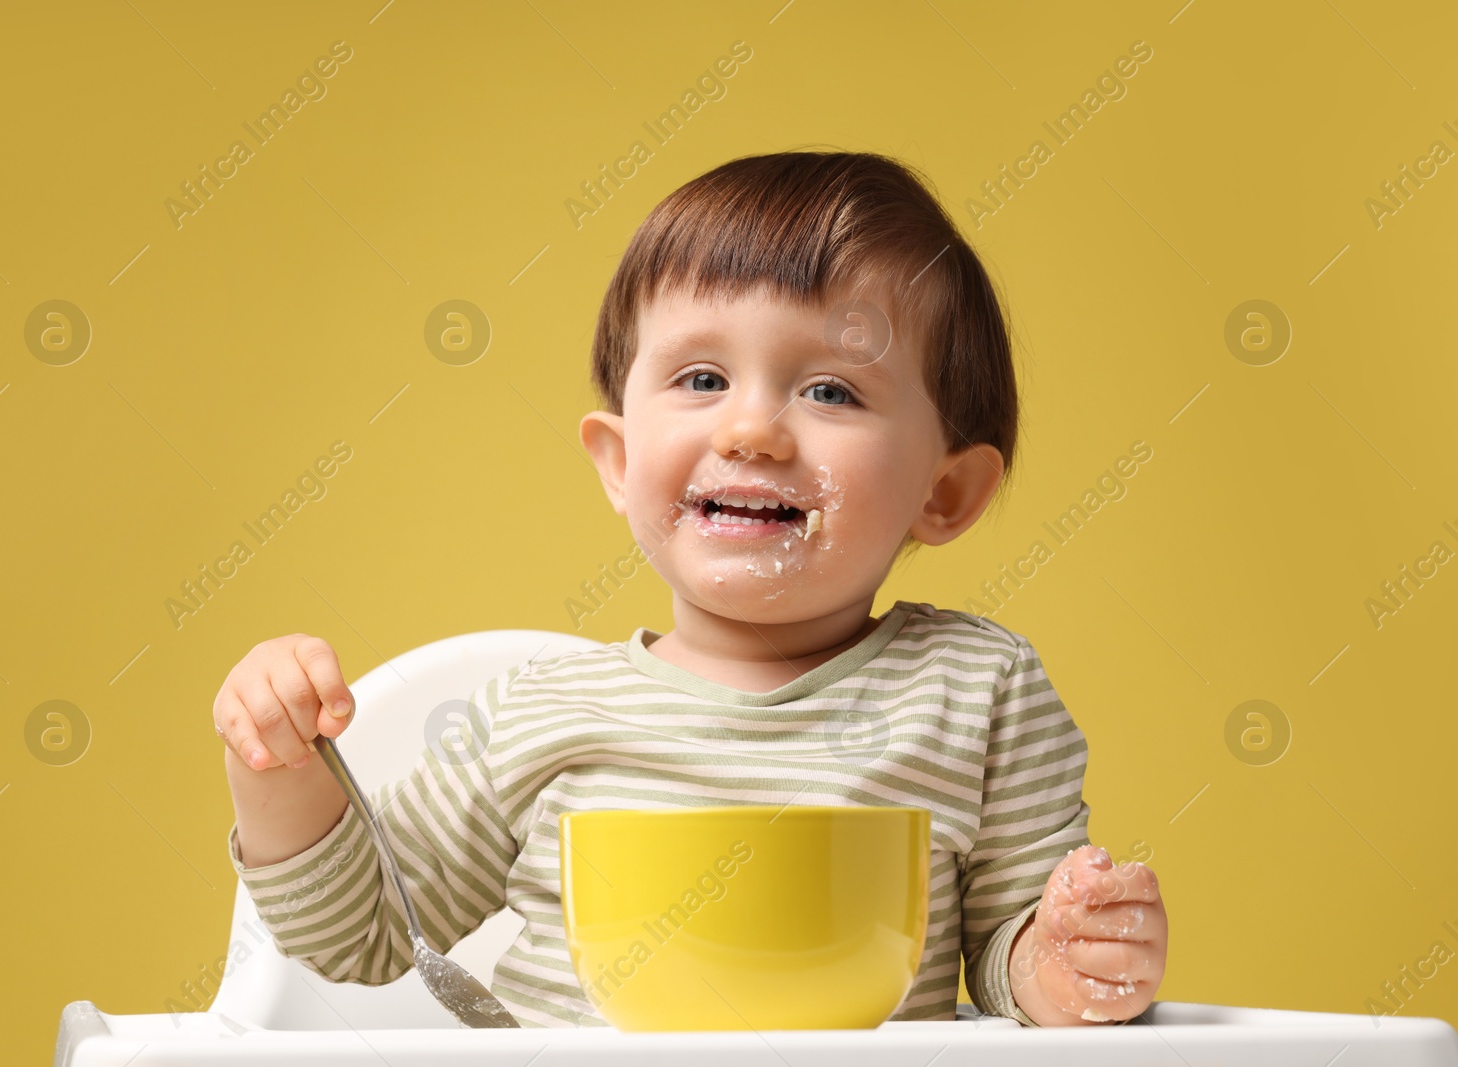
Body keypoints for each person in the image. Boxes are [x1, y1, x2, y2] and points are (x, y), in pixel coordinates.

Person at [214, 150, 1168, 1028]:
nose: (752, 427)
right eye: (703, 376)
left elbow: (1010, 959)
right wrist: (279, 765)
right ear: (620, 462)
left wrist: (1066, 957)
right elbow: (363, 931)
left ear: (944, 489)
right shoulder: (542, 710)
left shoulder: (977, 690)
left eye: (831, 391)